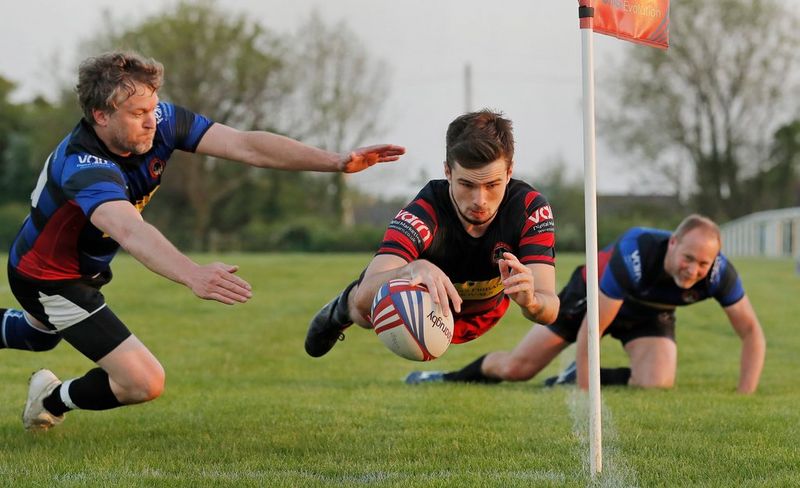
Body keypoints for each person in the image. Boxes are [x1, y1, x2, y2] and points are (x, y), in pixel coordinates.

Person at [2, 51, 405, 431]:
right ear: (100, 116)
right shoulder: (84, 167)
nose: (151, 121)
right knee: (143, 382)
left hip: (80, 266)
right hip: (49, 277)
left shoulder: (162, 119)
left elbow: (245, 145)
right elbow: (130, 230)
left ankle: (47, 387)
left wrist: (336, 161)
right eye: (137, 113)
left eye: (152, 108)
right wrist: (192, 274)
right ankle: (52, 400)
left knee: (39, 335)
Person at [407, 215, 766, 394]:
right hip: (591, 295)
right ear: (672, 244)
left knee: (657, 383)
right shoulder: (636, 252)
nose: (695, 270)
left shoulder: (719, 273)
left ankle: (567, 378)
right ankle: (443, 376)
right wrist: (585, 389)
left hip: (648, 312)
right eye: (688, 258)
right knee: (518, 368)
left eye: (703, 264)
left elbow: (751, 331)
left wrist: (744, 394)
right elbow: (593, 327)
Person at [304, 109, 560, 360]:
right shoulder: (423, 214)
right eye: (467, 184)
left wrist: (533, 302)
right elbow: (366, 296)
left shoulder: (530, 209)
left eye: (492, 185)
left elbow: (550, 307)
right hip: (427, 306)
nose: (480, 200)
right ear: (448, 171)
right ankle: (339, 310)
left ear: (509, 171)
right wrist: (411, 269)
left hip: (485, 313)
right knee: (365, 311)